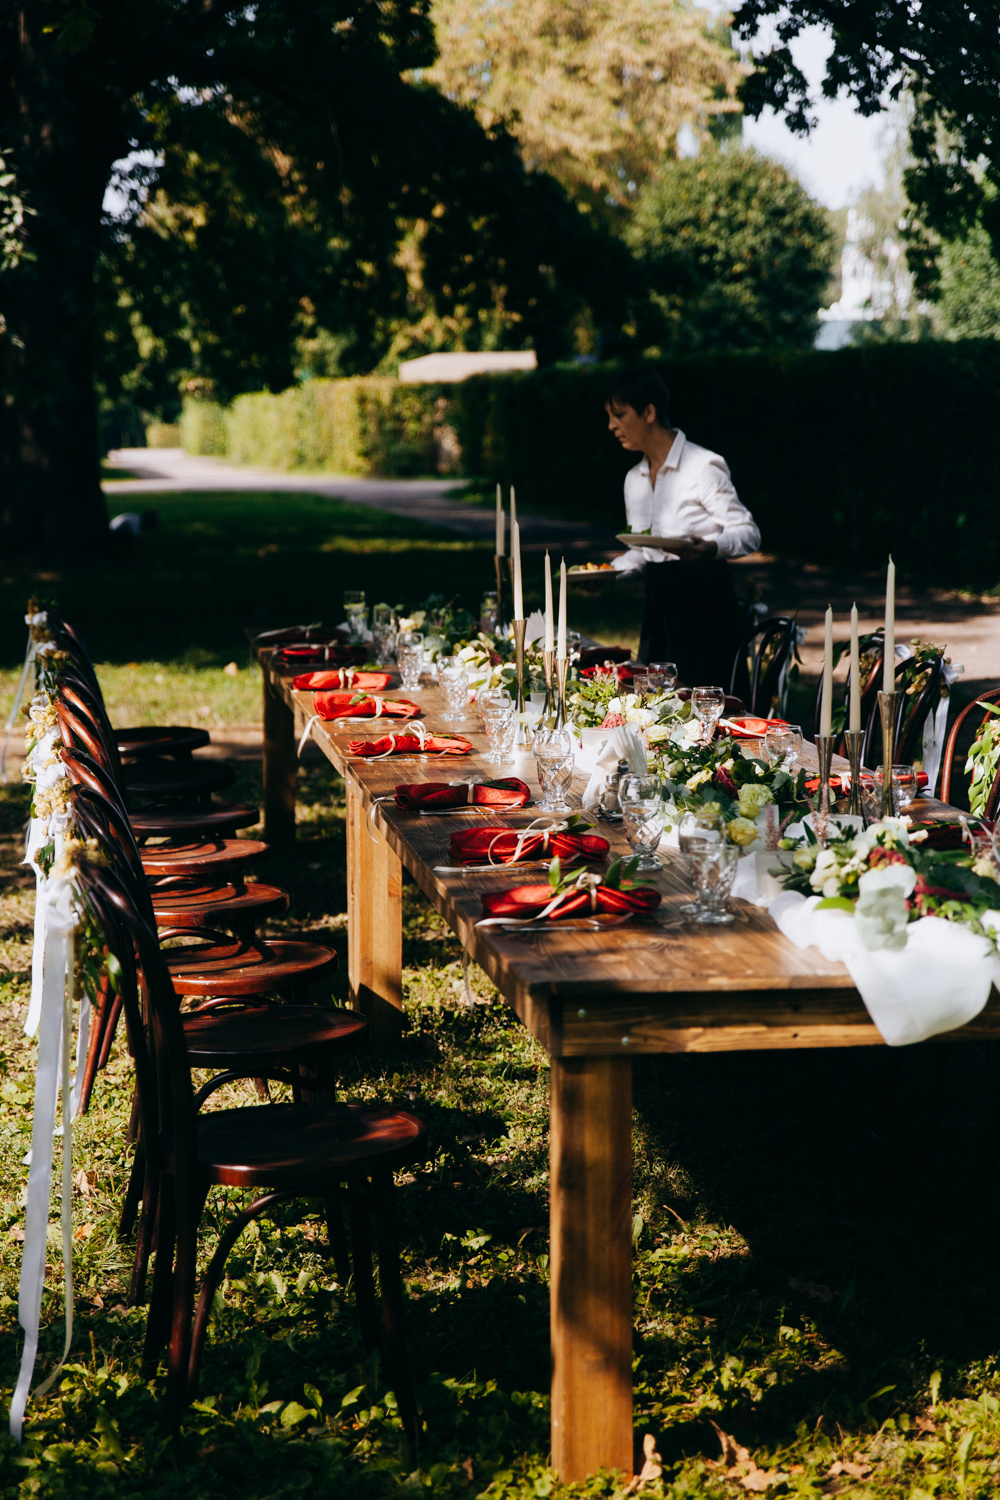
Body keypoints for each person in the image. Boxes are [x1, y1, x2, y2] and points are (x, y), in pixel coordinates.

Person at [605, 367, 759, 690]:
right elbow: (643, 550)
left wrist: (708, 548)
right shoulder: (633, 479)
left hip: (706, 614)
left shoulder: (701, 467)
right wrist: (606, 573)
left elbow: (748, 532)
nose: (612, 426)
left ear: (649, 412)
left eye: (619, 414)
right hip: (659, 616)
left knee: (711, 722)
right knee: (655, 716)